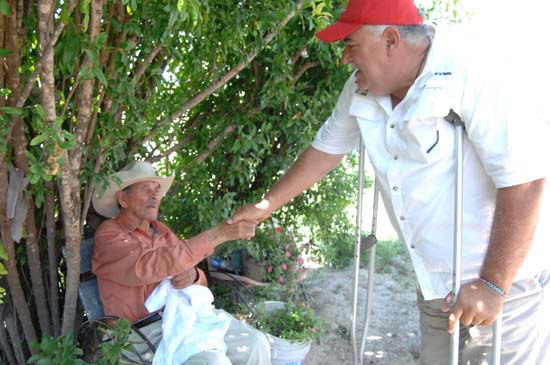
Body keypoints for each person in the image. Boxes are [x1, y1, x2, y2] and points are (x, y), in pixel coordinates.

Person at [228, 0, 550, 364]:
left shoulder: (468, 71)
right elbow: (326, 150)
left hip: (503, 285)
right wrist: (265, 205)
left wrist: (494, 284)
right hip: (434, 285)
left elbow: (524, 181)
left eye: (352, 46)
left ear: (391, 40)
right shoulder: (361, 88)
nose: (346, 58)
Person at [91, 160, 271, 365]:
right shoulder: (109, 234)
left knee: (256, 343)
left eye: (156, 190)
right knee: (212, 361)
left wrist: (193, 276)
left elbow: (193, 276)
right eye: (145, 189)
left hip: (184, 316)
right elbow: (146, 267)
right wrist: (217, 235)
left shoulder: (162, 231)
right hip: (141, 332)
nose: (154, 196)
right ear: (123, 199)